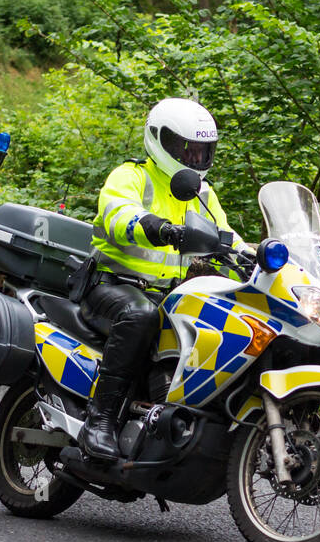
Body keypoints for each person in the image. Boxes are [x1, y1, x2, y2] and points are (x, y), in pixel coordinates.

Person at [77, 98, 248, 462]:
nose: (195, 158)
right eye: (186, 148)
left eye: (203, 151)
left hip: (165, 295)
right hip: (111, 285)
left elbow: (225, 236)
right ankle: (100, 420)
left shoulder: (201, 192)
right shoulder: (132, 176)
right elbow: (119, 214)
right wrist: (161, 229)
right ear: (159, 140)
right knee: (140, 316)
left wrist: (255, 261)